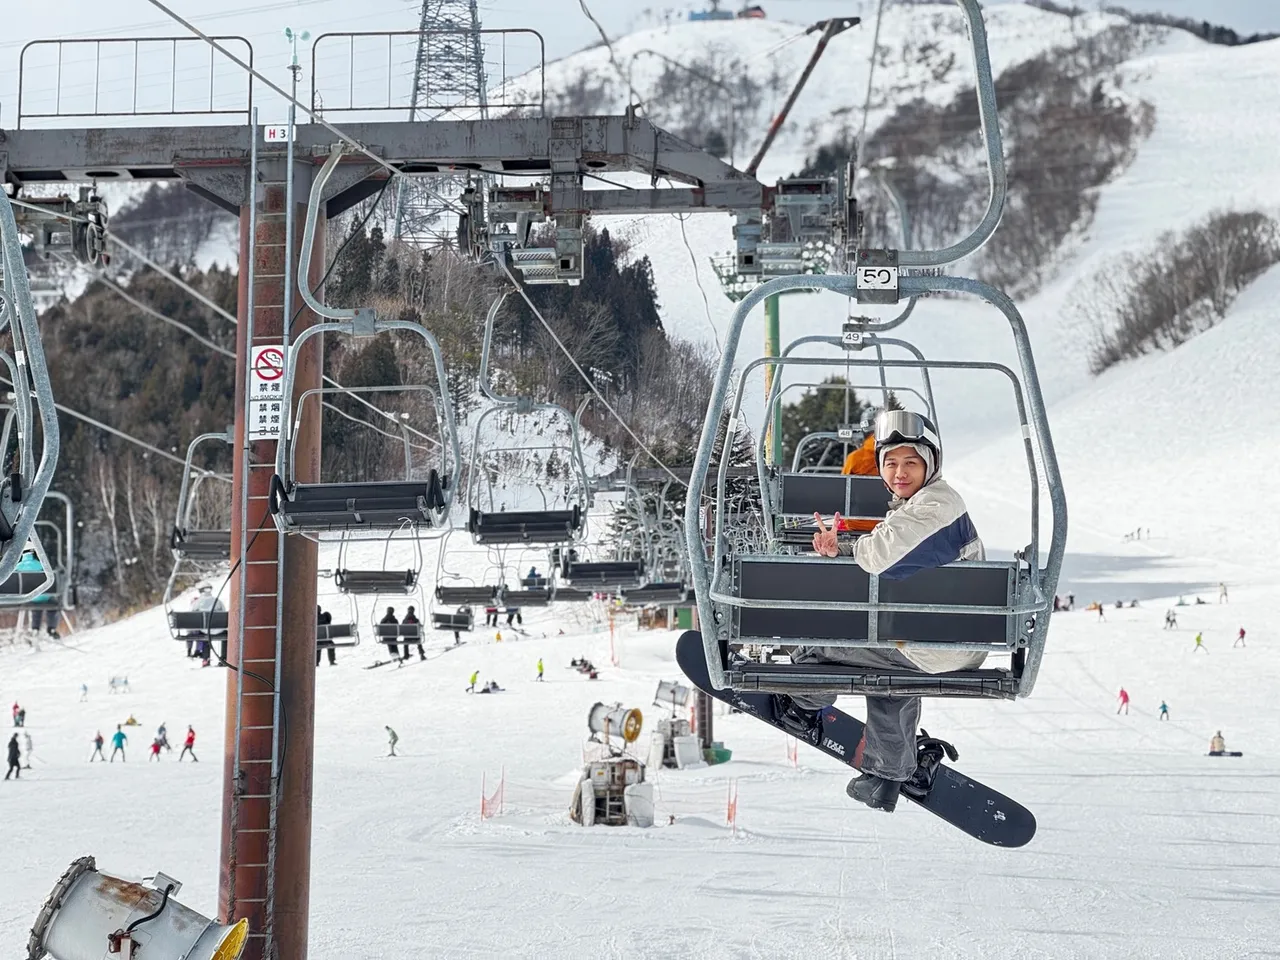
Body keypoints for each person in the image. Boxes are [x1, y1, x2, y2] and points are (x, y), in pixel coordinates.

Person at [782, 410, 980, 813]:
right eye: (890, 463)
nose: (899, 472)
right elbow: (894, 550)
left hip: (936, 644)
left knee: (817, 644)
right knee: (889, 670)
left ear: (931, 464)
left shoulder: (935, 507)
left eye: (911, 462)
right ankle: (888, 777)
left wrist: (853, 548)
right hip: (942, 640)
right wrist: (845, 547)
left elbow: (880, 555)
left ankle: (801, 707)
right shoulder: (927, 503)